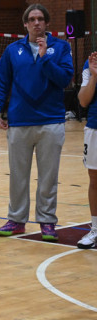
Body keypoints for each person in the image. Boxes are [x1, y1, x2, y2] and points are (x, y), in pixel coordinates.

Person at [0, 3, 73, 240]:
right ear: (25, 24)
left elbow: (65, 80)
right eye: (32, 19)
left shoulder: (61, 48)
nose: (36, 23)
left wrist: (45, 58)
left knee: (48, 177)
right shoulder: (12, 50)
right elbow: (1, 82)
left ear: (47, 23)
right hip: (19, 121)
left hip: (51, 121)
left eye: (40, 19)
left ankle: (47, 221)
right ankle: (16, 220)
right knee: (18, 175)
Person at [76, 52, 97, 248]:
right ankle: (96, 229)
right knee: (94, 179)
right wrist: (94, 75)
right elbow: (83, 101)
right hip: (94, 128)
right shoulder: (91, 63)